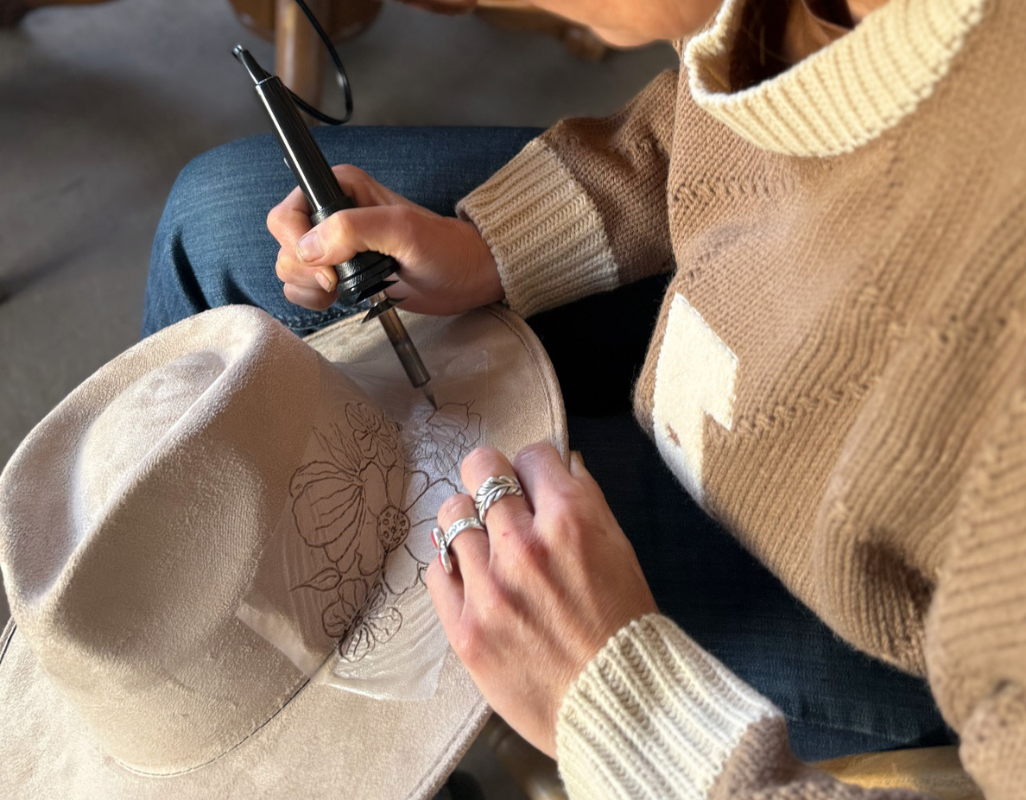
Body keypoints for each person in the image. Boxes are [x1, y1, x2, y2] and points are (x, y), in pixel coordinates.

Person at [143, 0, 1026, 796]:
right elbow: (740, 121)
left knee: (346, 560)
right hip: (745, 334)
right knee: (213, 223)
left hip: (876, 594)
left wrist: (627, 711)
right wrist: (491, 244)